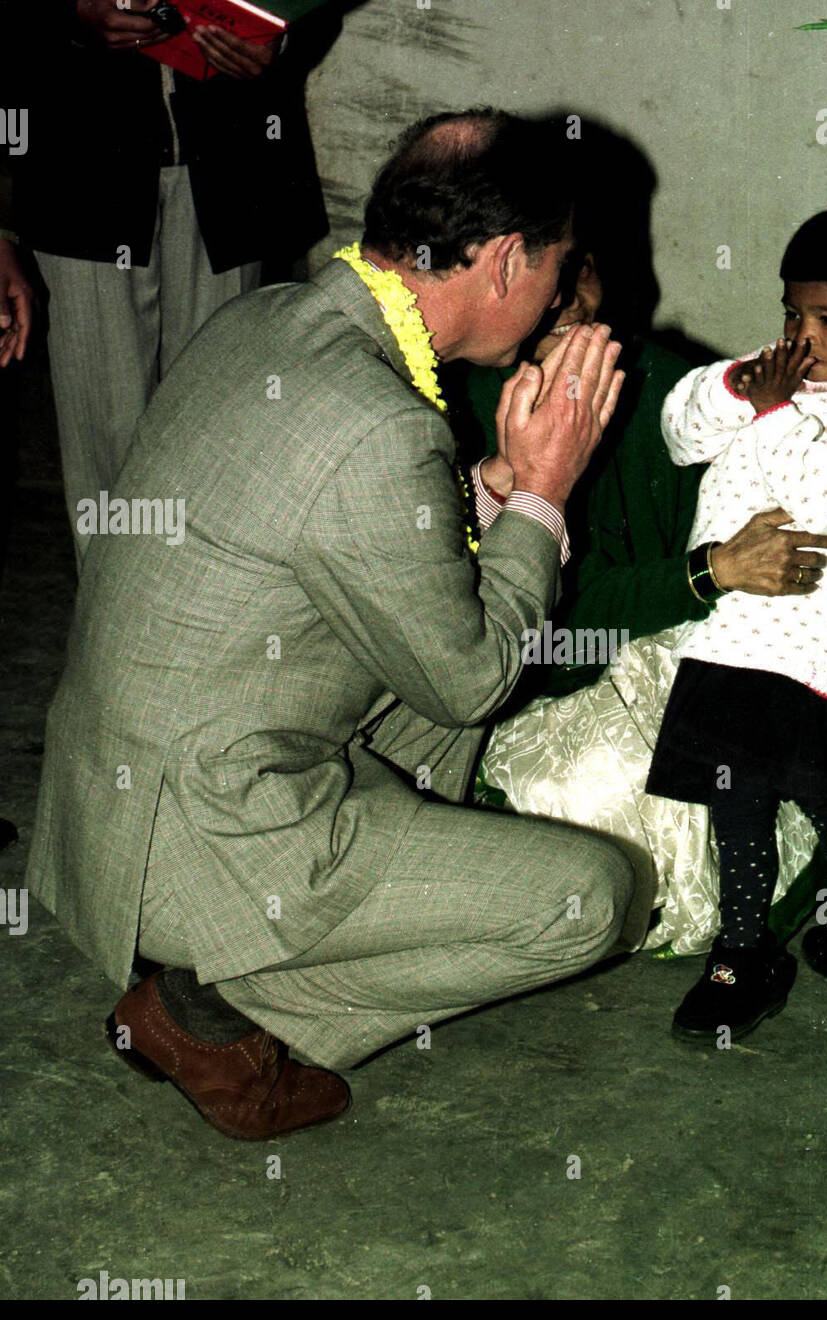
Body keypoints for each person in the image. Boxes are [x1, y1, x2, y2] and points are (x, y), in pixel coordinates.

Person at [27, 110, 634, 1142]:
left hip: (114, 803)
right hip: (203, 836)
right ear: (499, 262)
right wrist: (543, 492)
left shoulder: (275, 319)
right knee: (593, 899)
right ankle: (213, 1012)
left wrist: (490, 487)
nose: (555, 290)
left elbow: (351, 539)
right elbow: (473, 676)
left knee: (442, 647)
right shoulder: (377, 420)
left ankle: (281, 939)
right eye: (557, 263)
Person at [458, 200, 827, 957]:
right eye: (544, 287)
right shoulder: (460, 400)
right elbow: (544, 616)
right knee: (595, 799)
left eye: (578, 275)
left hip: (660, 646)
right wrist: (708, 572)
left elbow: (764, 542)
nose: (563, 305)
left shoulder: (670, 386)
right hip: (517, 674)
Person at [644, 210, 827, 1042]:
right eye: (790, 315)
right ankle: (739, 954)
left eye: (826, 320)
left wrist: (770, 417)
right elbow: (679, 433)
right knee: (739, 804)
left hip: (812, 648)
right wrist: (735, 389)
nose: (802, 336)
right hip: (730, 636)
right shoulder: (770, 379)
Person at [4, 0, 333, 565]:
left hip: (227, 167)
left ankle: (203, 630)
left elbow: (304, 6)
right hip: (76, 165)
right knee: (106, 444)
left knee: (217, 429)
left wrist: (278, 40)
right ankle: (113, 632)